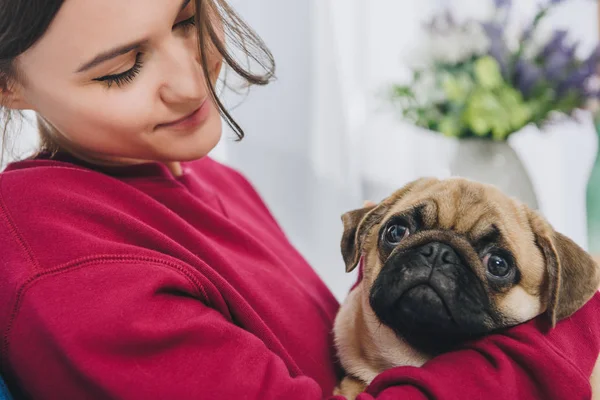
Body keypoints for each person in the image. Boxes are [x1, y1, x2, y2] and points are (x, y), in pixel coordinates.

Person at [0, 0, 598, 399]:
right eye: (121, 69)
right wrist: (577, 326)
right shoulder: (61, 257)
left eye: (187, 18)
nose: (190, 80)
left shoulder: (200, 175)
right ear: (9, 84)